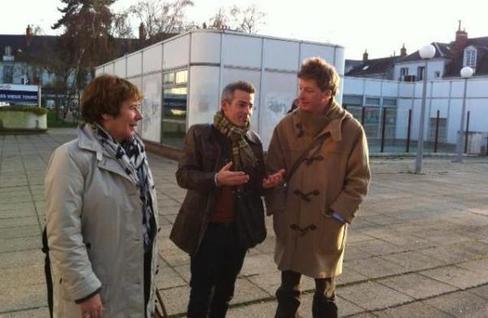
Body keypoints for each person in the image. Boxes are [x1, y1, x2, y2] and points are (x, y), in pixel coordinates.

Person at [45, 74, 159, 318]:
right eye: (132, 108)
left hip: (135, 280)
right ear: (106, 113)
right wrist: (85, 289)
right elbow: (62, 233)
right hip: (98, 291)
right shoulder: (71, 158)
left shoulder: (136, 155)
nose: (139, 116)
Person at [265, 57, 371, 318]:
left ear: (327, 93)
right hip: (291, 222)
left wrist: (338, 215)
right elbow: (271, 170)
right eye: (300, 88)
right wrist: (279, 206)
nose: (301, 95)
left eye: (309, 90)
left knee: (325, 296)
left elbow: (359, 179)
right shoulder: (286, 127)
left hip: (326, 223)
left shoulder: (350, 130)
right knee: (287, 293)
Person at [170, 81, 284, 318]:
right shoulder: (200, 134)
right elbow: (183, 175)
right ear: (225, 105)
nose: (247, 111)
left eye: (250, 106)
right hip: (206, 229)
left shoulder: (253, 141)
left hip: (238, 231)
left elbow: (253, 183)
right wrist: (216, 179)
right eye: (242, 104)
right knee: (201, 293)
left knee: (225, 292)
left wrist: (265, 184)